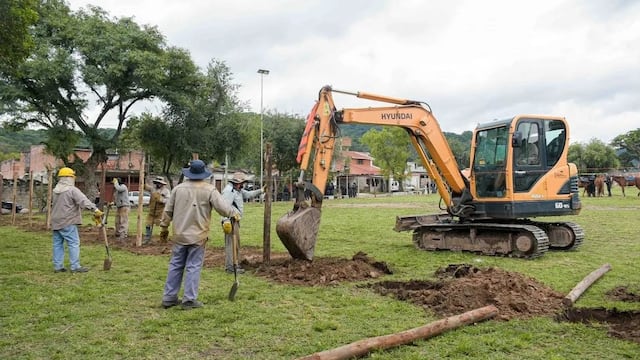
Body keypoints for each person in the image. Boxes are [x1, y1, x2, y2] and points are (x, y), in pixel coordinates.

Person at [159, 160, 240, 310]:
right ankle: (189, 300)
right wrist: (234, 213)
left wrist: (164, 227)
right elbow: (223, 208)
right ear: (203, 174)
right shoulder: (209, 190)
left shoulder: (178, 189)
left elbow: (168, 211)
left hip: (179, 235)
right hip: (198, 236)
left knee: (175, 265)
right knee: (193, 266)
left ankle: (169, 298)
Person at [51, 167, 103, 273]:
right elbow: (83, 201)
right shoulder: (72, 190)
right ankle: (75, 266)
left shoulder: (55, 190)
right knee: (74, 243)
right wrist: (95, 209)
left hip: (55, 220)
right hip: (68, 220)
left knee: (57, 243)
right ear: (70, 178)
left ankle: (58, 266)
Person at [221, 172, 264, 274]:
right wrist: (225, 221)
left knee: (236, 244)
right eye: (243, 182)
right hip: (230, 221)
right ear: (238, 183)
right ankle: (231, 267)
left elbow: (248, 194)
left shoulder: (238, 190)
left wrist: (261, 191)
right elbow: (224, 207)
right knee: (231, 244)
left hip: (235, 221)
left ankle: (234, 264)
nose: (244, 184)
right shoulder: (229, 191)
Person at [144, 176, 170, 244]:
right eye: (157, 183)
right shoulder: (153, 189)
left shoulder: (166, 191)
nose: (158, 184)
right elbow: (145, 187)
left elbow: (168, 200)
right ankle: (147, 239)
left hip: (160, 212)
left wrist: (161, 200)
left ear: (162, 184)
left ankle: (163, 239)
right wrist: (143, 179)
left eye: (159, 183)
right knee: (148, 225)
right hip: (152, 211)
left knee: (163, 225)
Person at [111, 177, 130, 242]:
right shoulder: (117, 190)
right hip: (119, 206)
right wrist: (113, 203)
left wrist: (115, 182)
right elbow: (117, 198)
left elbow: (119, 188)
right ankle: (118, 233)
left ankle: (123, 234)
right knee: (117, 221)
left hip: (124, 206)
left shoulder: (123, 186)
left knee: (123, 220)